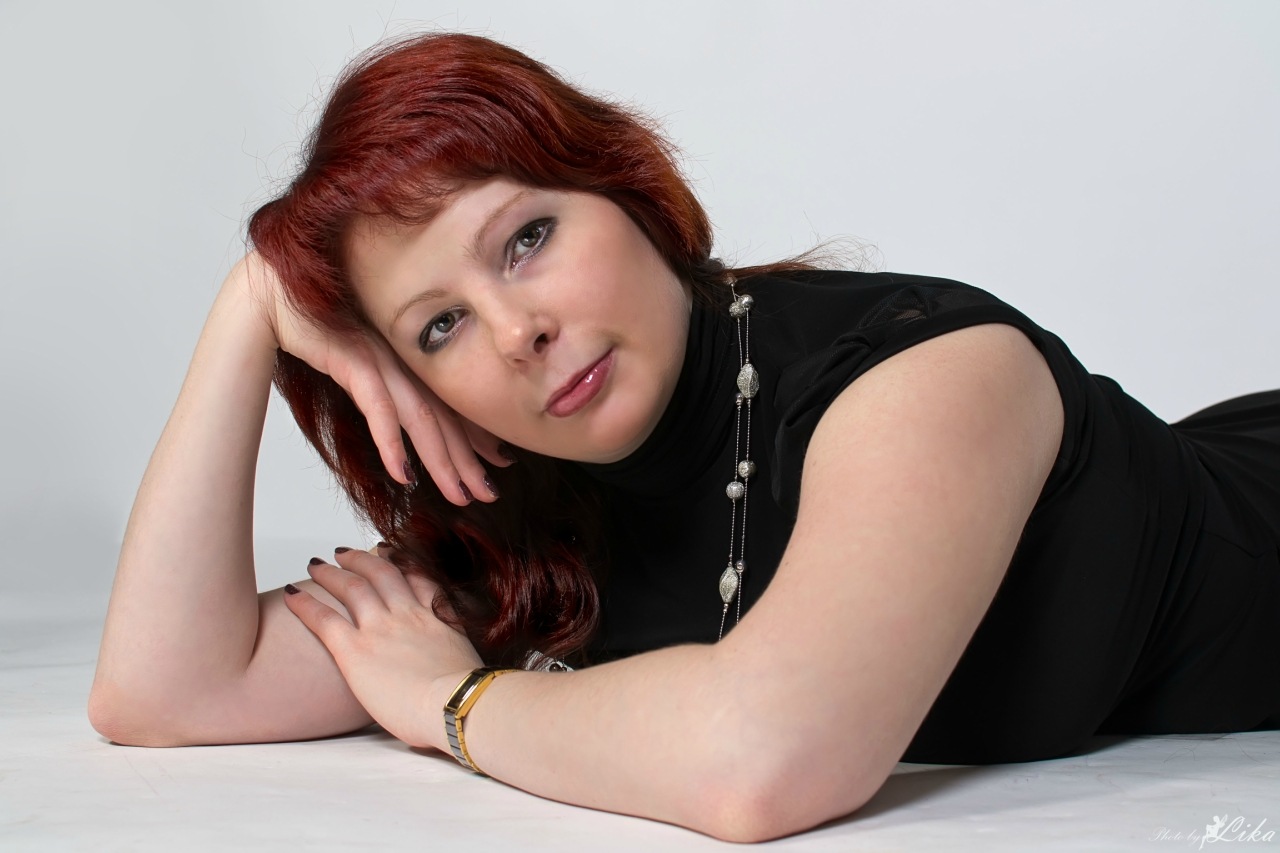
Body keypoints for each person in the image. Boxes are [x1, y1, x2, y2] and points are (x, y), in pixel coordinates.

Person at [88, 32, 1280, 842]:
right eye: (438, 324)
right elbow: (162, 688)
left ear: (623, 187)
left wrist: (452, 702)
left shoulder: (928, 371)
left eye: (525, 239)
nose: (516, 332)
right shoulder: (534, 515)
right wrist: (248, 305)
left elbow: (763, 761)